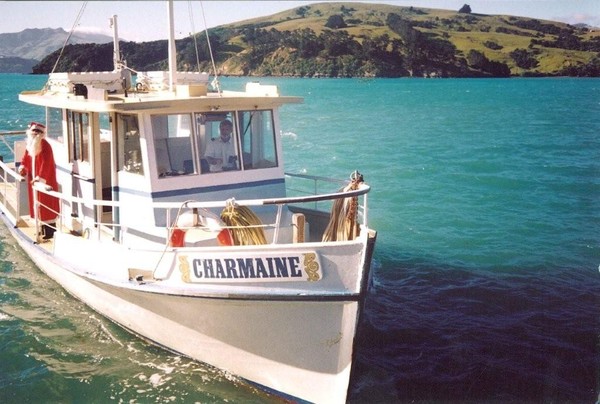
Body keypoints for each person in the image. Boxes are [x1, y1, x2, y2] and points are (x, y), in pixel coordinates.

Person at [18, 122, 60, 239]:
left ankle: (50, 232)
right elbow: (25, 159)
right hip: (33, 180)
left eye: (39, 132)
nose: (36, 133)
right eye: (34, 131)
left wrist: (40, 178)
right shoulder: (30, 145)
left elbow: (47, 163)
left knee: (47, 205)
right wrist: (23, 168)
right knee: (37, 204)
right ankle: (41, 229)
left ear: (42, 133)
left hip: (45, 180)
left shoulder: (45, 145)